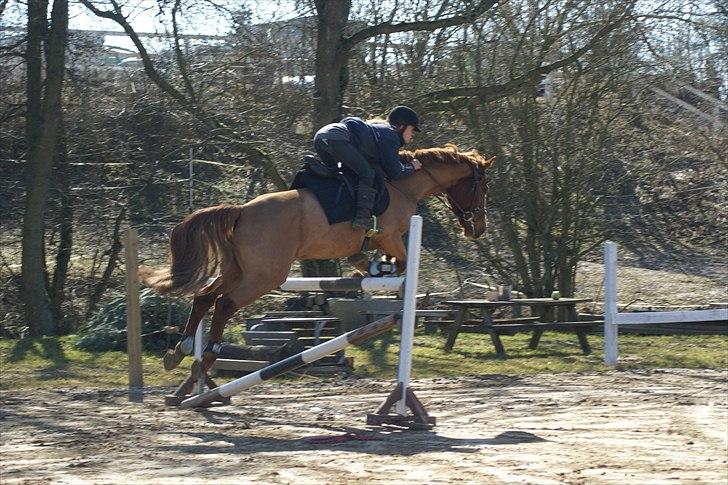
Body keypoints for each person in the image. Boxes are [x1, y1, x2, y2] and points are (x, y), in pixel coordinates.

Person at [313, 105, 423, 234]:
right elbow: (396, 172)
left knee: (342, 173)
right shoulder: (391, 136)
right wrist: (412, 167)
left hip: (321, 137)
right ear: (401, 126)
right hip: (336, 139)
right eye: (412, 130)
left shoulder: (380, 132)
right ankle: (362, 217)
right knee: (367, 174)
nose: (412, 136)